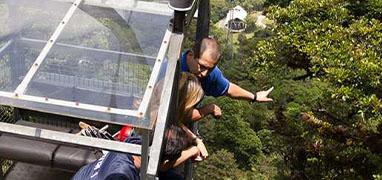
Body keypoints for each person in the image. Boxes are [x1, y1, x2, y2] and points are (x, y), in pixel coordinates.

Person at [72, 72, 208, 180]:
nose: (193, 111)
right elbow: (161, 165)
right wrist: (191, 151)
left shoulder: (157, 111)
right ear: (182, 104)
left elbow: (177, 125)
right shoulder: (155, 126)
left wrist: (196, 140)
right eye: (192, 106)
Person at [181, 37, 274, 121]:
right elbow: (182, 115)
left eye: (210, 69)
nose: (204, 73)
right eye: (202, 66)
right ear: (190, 55)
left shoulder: (211, 74)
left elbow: (228, 88)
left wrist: (255, 97)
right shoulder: (173, 68)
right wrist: (209, 108)